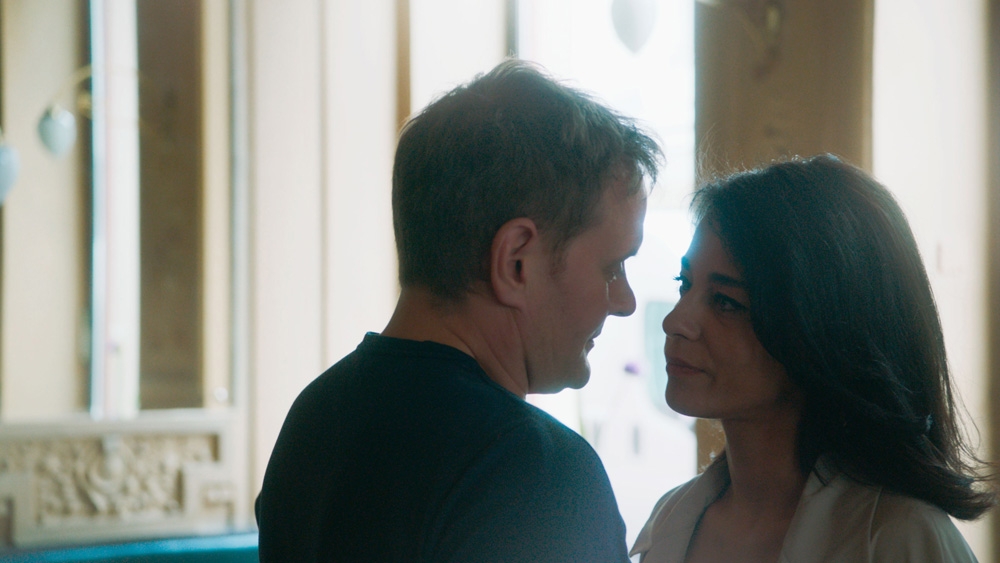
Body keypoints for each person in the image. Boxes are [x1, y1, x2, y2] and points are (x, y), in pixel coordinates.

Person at [255, 60, 661, 563]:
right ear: (515, 262)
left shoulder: (314, 419)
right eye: (612, 267)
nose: (625, 301)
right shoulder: (534, 472)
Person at [631, 154, 995, 563]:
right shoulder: (671, 520)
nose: (675, 322)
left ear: (818, 328)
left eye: (726, 302)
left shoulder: (900, 538)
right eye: (684, 284)